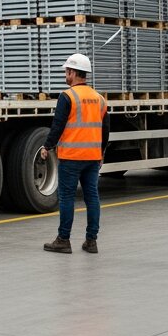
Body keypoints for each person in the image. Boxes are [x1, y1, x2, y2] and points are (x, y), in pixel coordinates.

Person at [39, 53, 109, 254]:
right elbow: (105, 130)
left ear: (73, 72)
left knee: (67, 197)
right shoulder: (100, 99)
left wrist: (47, 146)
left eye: (66, 71)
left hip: (71, 157)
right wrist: (101, 152)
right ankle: (91, 241)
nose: (65, 74)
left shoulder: (67, 96)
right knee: (92, 197)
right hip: (93, 158)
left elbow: (57, 126)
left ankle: (63, 239)